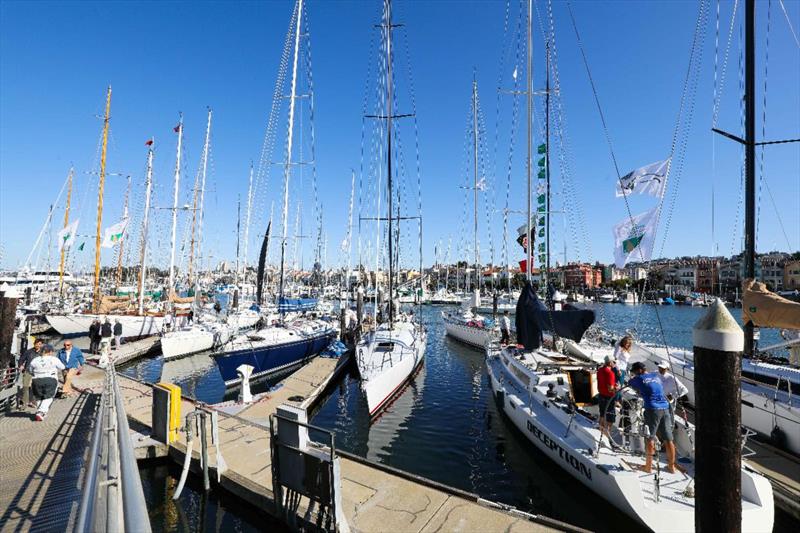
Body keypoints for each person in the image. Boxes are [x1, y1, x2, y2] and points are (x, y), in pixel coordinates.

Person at [628, 361, 683, 474]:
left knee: (650, 437)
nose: (634, 374)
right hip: (665, 407)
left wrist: (637, 383)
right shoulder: (655, 375)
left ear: (638, 371)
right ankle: (671, 467)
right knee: (668, 439)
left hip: (652, 409)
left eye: (634, 372)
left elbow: (630, 383)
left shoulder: (638, 378)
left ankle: (648, 467)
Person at [28, 344, 65, 421]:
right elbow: (62, 367)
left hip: (36, 380)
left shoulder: (35, 360)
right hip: (50, 379)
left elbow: (30, 370)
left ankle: (41, 412)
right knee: (48, 396)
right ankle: (41, 412)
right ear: (50, 352)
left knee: (38, 396)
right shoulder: (54, 359)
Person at [657, 361, 689, 427]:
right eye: (660, 367)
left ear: (667, 369)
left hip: (669, 403)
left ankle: (671, 429)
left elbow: (685, 390)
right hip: (658, 401)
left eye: (663, 368)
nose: (661, 370)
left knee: (669, 419)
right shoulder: (655, 374)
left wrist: (673, 396)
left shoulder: (672, 378)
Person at [596, 355, 619, 447]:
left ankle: (599, 435)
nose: (615, 363)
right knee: (610, 419)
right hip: (608, 398)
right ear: (610, 363)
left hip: (601, 396)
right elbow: (610, 389)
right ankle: (606, 439)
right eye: (614, 362)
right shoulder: (610, 373)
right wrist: (617, 388)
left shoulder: (600, 370)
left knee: (602, 415)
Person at [17, 338, 43, 408]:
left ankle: (32, 401)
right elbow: (21, 359)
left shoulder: (43, 353)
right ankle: (24, 403)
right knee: (25, 387)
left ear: (41, 345)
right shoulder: (28, 352)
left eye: (39, 344)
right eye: (36, 344)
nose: (38, 345)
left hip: (38, 372)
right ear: (34, 344)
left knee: (34, 387)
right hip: (28, 371)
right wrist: (21, 365)